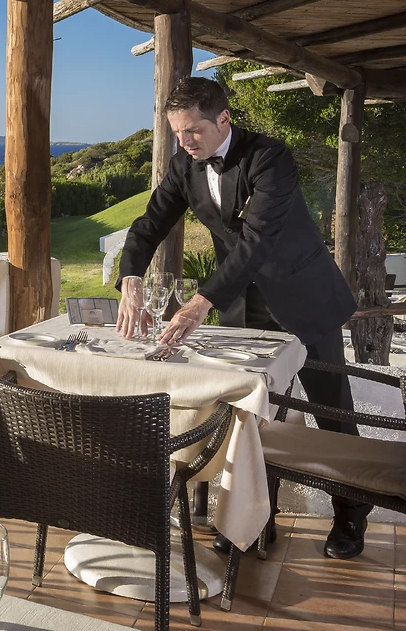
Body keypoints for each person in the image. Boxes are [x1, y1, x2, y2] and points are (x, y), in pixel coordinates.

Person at [116, 76, 370, 559]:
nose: (185, 142)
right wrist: (130, 276)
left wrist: (199, 302)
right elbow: (149, 224)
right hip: (243, 307)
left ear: (223, 119)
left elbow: (256, 242)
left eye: (193, 131)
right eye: (177, 133)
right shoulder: (183, 166)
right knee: (250, 417)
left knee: (331, 410)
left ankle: (351, 514)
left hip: (304, 298)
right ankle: (252, 521)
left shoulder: (270, 157)